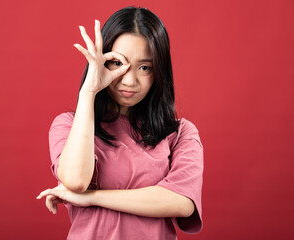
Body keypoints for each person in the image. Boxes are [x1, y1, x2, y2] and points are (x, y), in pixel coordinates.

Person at [37, 6, 204, 240]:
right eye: (117, 63)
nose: (130, 80)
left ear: (159, 72)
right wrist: (89, 92)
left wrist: (91, 198)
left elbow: (182, 202)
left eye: (145, 67)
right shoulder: (69, 125)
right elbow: (75, 181)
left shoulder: (180, 133)